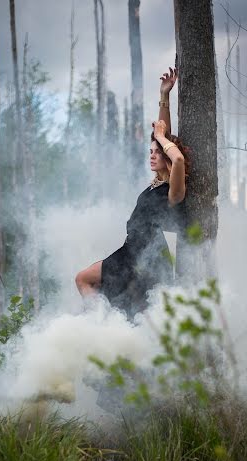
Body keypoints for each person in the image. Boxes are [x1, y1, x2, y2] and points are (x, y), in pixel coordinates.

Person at [75, 67, 190, 318]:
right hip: (130, 252)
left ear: (167, 158)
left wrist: (161, 136)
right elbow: (163, 136)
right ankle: (101, 326)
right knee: (92, 285)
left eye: (157, 152)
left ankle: (100, 326)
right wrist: (164, 96)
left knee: (88, 281)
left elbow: (179, 159)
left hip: (145, 259)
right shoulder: (156, 184)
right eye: (151, 150)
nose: (152, 154)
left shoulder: (174, 191)